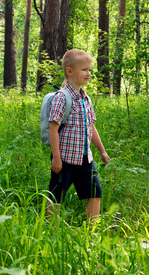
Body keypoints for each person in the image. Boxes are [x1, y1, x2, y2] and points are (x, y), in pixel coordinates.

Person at [47, 49, 110, 221]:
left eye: (89, 70)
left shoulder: (86, 98)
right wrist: (56, 158)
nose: (89, 73)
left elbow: (91, 127)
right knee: (56, 194)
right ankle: (50, 230)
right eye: (84, 70)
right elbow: (53, 128)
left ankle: (93, 230)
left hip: (85, 159)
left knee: (95, 192)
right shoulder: (62, 98)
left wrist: (102, 152)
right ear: (69, 71)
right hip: (65, 159)